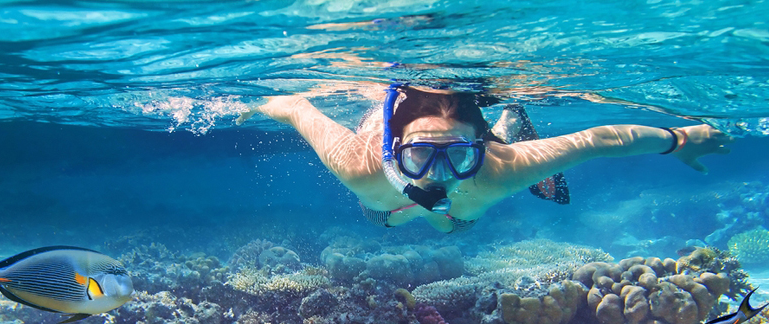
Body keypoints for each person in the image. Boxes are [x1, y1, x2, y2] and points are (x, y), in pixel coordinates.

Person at [236, 84, 734, 233]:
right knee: (393, 219)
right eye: (420, 154)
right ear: (393, 151)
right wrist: (245, 108)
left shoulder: (501, 167)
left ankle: (506, 123)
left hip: (478, 176)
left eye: (457, 155)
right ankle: (503, 125)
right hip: (389, 206)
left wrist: (679, 139)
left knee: (456, 221)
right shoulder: (358, 164)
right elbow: (296, 105)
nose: (437, 174)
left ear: (481, 151)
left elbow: (601, 138)